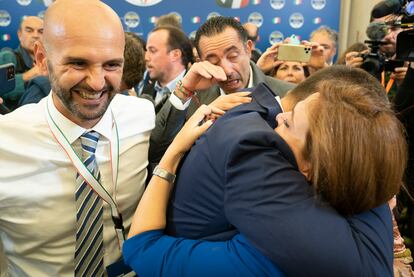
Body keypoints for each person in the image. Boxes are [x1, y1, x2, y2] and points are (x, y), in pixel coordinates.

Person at [124, 66, 407, 276]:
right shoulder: (360, 200)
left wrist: (172, 156)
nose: (278, 115)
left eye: (289, 124)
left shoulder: (266, 255)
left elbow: (142, 249)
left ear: (310, 168)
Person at [0, 0, 155, 276]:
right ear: (41, 60)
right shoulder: (5, 142)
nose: (97, 82)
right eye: (78, 63)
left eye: (111, 65)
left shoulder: (142, 115)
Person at [150, 16, 294, 163]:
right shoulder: (192, 99)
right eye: (213, 61)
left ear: (248, 49)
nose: (226, 70)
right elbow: (156, 152)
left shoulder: (289, 95)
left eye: (232, 56)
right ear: (201, 62)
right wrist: (185, 89)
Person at [142, 26, 193, 113]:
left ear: (175, 55)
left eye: (152, 51)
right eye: (146, 51)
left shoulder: (198, 93)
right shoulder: (145, 92)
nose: (146, 57)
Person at [0, 16, 44, 110]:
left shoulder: (49, 60)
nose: (35, 35)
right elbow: (2, 91)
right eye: (29, 30)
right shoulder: (7, 56)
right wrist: (31, 74)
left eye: (41, 31)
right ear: (20, 34)